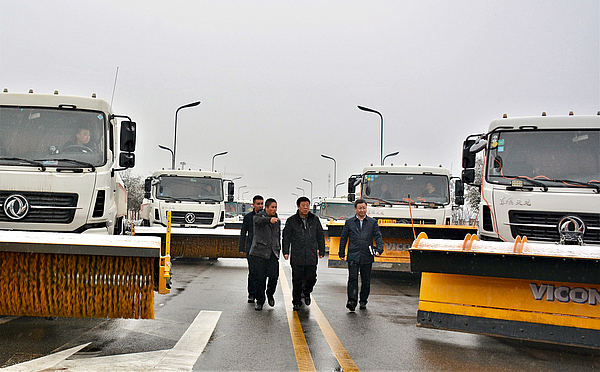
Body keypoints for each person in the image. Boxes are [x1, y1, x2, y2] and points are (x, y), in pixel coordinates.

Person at [338, 198, 384, 311]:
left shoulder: (372, 222)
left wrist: (379, 249)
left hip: (366, 255)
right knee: (353, 278)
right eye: (360, 208)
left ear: (366, 208)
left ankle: (363, 301)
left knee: (366, 280)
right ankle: (352, 301)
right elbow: (343, 238)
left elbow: (378, 236)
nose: (362, 210)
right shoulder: (349, 222)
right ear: (355, 209)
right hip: (353, 254)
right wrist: (341, 252)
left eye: (364, 208)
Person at [282, 196, 326, 311]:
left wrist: (322, 250)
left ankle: (306, 293)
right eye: (303, 206)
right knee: (297, 279)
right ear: (298, 207)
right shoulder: (291, 221)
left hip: (311, 254)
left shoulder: (314, 219)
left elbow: (320, 235)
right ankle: (296, 301)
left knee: (312, 278)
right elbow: (286, 237)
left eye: (307, 205)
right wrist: (285, 251)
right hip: (297, 254)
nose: (306, 208)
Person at [249, 198, 281, 311]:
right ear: (266, 208)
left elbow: (277, 236)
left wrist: (278, 249)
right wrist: (269, 220)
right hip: (259, 252)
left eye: (275, 207)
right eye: (272, 207)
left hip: (273, 252)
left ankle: (270, 293)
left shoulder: (277, 220)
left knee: (274, 277)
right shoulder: (259, 216)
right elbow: (257, 220)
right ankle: (260, 301)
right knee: (260, 279)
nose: (274, 209)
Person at [239, 195, 264, 304]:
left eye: (262, 204)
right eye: (258, 204)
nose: (260, 206)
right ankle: (251, 294)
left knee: (261, 273)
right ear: (253, 205)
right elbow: (243, 233)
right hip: (251, 248)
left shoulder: (265, 216)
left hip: (263, 249)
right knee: (253, 272)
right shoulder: (248, 217)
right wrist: (242, 247)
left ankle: (260, 294)